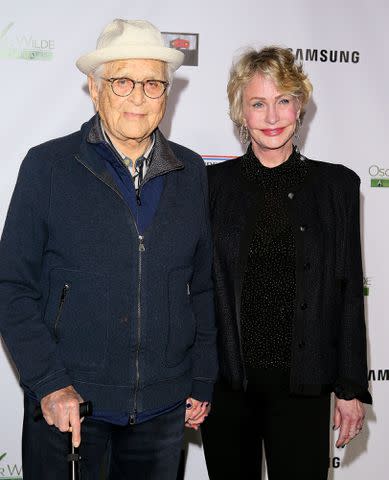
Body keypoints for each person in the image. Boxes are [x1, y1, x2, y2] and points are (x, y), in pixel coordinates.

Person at [0, 19, 217, 479]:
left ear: (167, 93)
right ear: (94, 90)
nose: (138, 97)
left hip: (163, 410)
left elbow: (202, 287)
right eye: (122, 81)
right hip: (70, 406)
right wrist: (50, 383)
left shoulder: (192, 172)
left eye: (153, 83)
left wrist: (201, 377)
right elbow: (11, 285)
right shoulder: (47, 167)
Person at [201, 46, 371, 480]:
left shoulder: (337, 187)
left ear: (300, 105)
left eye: (283, 101)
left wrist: (350, 389)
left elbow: (349, 291)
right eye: (258, 103)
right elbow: (196, 290)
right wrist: (191, 380)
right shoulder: (209, 187)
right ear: (241, 112)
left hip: (304, 386)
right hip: (227, 386)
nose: (272, 116)